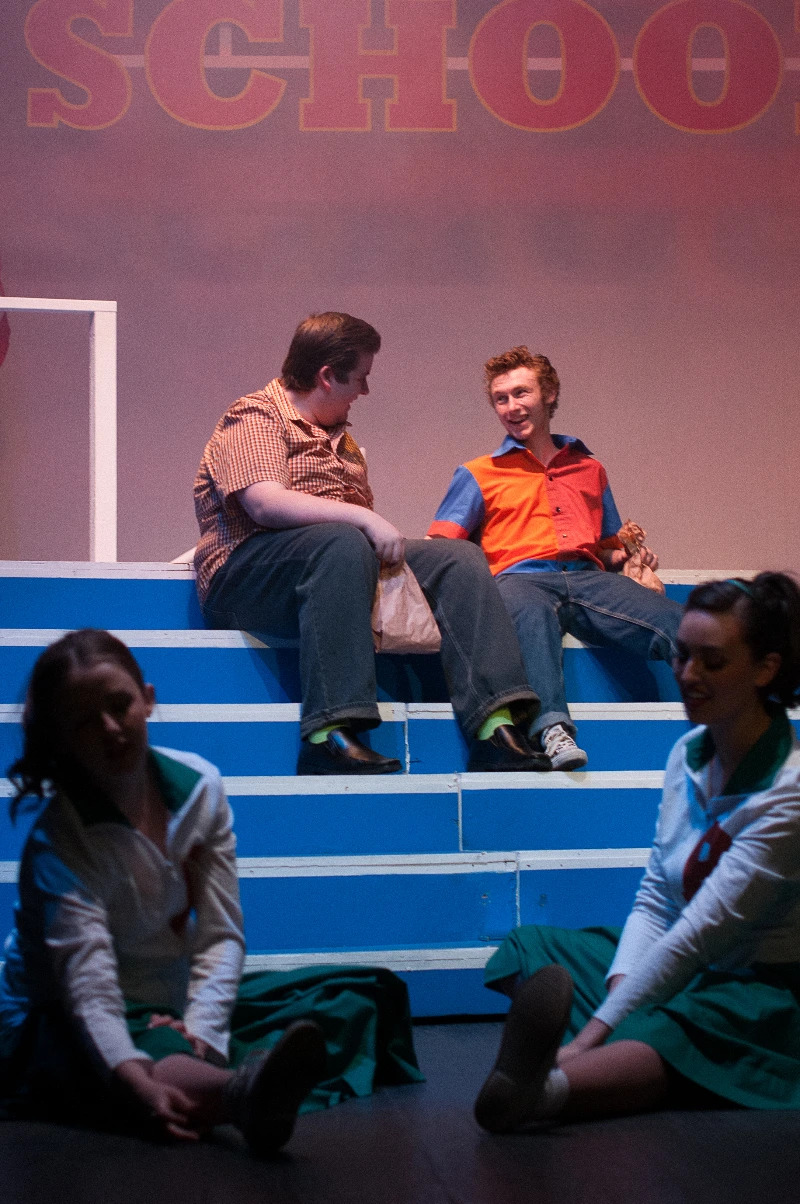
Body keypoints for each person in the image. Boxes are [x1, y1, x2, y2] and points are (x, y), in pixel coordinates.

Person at [473, 572, 800, 1132]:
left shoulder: (789, 791)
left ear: (765, 669)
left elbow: (699, 934)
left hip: (758, 986)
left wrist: (591, 1037)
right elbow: (655, 897)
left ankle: (545, 1091)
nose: (688, 676)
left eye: (712, 662)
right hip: (689, 962)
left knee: (685, 1023)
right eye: (682, 656)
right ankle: (609, 1052)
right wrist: (624, 989)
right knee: (532, 948)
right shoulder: (686, 753)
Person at [0, 629, 327, 1152]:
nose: (110, 729)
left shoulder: (201, 789)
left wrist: (203, 1033)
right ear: (61, 738)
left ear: (147, 699)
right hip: (56, 1013)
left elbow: (221, 934)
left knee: (345, 996)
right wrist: (133, 1078)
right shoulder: (61, 840)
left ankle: (204, 1071)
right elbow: (87, 987)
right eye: (83, 722)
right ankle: (238, 1095)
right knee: (142, 1044)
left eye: (119, 706)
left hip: (162, 997)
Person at [194, 313, 549, 775]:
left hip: (334, 563)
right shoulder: (255, 415)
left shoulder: (343, 442)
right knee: (341, 541)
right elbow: (264, 502)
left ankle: (495, 727)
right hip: (247, 575)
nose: (365, 390)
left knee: (458, 558)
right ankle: (328, 734)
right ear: (327, 376)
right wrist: (364, 518)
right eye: (360, 377)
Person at [427, 346, 683, 770]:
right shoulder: (479, 472)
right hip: (519, 578)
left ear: (549, 393)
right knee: (528, 617)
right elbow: (441, 546)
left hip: (587, 577)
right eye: (501, 399)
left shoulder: (590, 468)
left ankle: (739, 700)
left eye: (521, 393)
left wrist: (627, 558)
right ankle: (551, 729)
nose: (511, 407)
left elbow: (604, 545)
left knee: (677, 622)